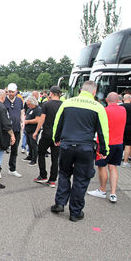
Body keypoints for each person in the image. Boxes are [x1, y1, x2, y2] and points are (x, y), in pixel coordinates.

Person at [51, 81, 109, 222]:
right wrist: (104, 149)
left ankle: (60, 203)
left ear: (81, 90)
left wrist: (56, 138)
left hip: (67, 145)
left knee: (64, 174)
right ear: (94, 92)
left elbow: (57, 123)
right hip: (85, 148)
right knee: (81, 179)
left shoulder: (67, 103)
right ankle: (75, 212)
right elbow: (103, 131)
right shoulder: (98, 107)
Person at [87, 92, 126, 203]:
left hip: (105, 143)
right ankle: (113, 193)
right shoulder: (123, 110)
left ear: (107, 100)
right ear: (118, 100)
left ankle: (102, 190)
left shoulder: (104, 111)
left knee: (102, 166)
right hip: (119, 143)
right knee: (113, 167)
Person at [33, 86, 63, 187]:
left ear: (51, 93)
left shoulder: (47, 104)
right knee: (55, 157)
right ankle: (53, 180)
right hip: (58, 135)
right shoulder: (63, 105)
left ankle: (43, 175)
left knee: (41, 153)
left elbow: (42, 119)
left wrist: (36, 132)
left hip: (47, 133)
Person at [3, 83, 24, 178]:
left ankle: (12, 169)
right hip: (6, 129)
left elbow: (22, 111)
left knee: (15, 150)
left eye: (12, 92)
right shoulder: (4, 100)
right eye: (9, 92)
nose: (10, 94)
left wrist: (23, 121)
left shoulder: (19, 100)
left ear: (16, 91)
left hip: (16, 128)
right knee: (2, 148)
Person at [23, 96, 41, 166]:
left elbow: (37, 120)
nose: (28, 106)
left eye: (29, 104)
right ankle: (30, 156)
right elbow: (26, 116)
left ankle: (34, 160)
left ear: (33, 103)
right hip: (28, 130)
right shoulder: (29, 109)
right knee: (29, 143)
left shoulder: (38, 109)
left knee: (33, 144)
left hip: (34, 130)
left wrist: (28, 121)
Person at [121, 94, 131, 168]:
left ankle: (119, 158)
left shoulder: (120, 106)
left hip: (121, 127)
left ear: (123, 99)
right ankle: (125, 162)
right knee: (128, 144)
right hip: (129, 127)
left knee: (121, 142)